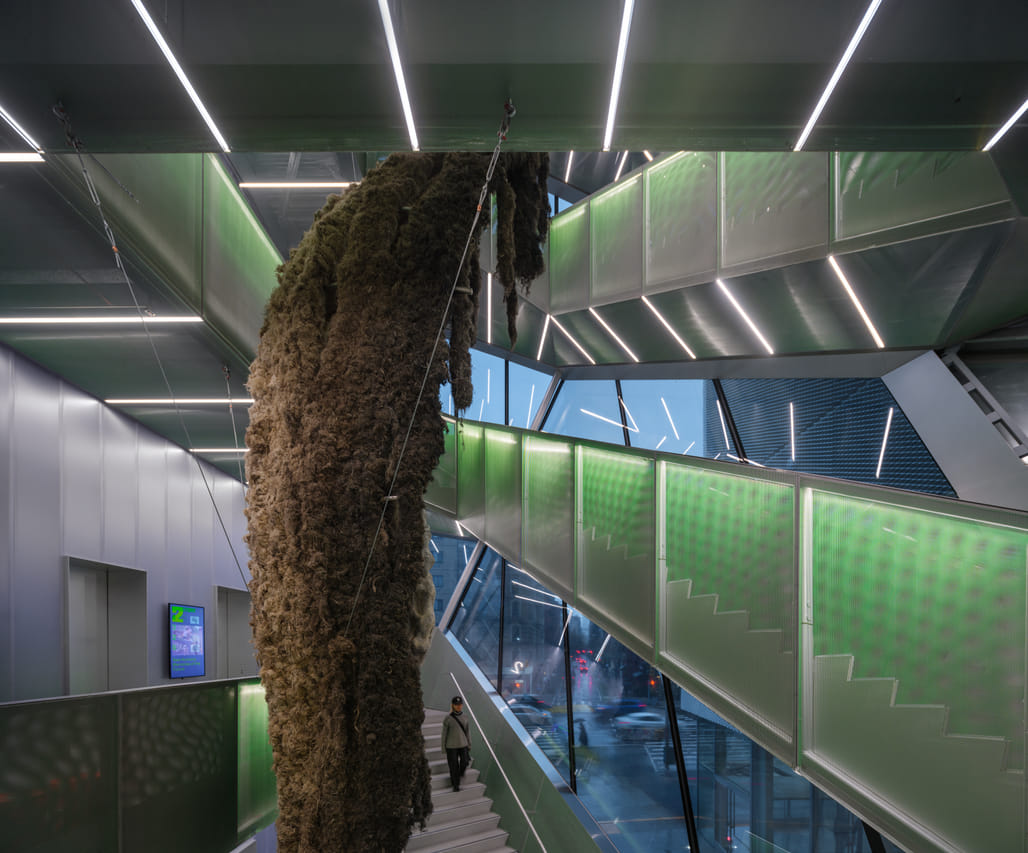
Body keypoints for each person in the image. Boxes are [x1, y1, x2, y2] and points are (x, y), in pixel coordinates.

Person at [441, 695, 471, 792]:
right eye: (456, 704)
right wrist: (443, 747)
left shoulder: (465, 717)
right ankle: (455, 785)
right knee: (453, 766)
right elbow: (444, 734)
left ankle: (460, 774)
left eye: (460, 704)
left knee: (465, 762)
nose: (458, 706)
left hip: (463, 744)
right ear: (453, 705)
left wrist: (469, 744)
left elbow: (467, 732)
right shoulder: (448, 718)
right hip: (451, 746)